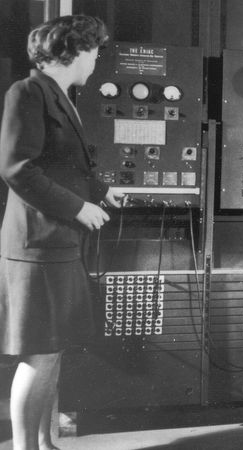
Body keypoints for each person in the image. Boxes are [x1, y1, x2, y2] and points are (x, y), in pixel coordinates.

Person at [0, 15, 125, 450]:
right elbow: (17, 167)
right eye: (94, 52)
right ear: (75, 51)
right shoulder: (28, 92)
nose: (96, 61)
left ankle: (44, 444)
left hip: (58, 244)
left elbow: (64, 165)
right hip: (36, 246)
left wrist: (103, 192)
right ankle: (24, 448)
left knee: (51, 350)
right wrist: (79, 207)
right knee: (40, 353)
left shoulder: (60, 96)